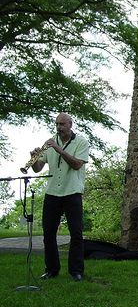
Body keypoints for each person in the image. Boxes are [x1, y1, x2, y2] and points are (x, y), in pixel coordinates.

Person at [31, 113, 89, 281]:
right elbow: (37, 168)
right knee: (48, 234)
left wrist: (58, 149)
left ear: (70, 124)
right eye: (57, 124)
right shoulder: (49, 141)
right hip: (52, 193)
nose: (59, 127)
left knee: (76, 233)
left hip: (72, 192)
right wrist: (33, 157)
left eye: (62, 124)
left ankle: (76, 271)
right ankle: (51, 269)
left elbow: (77, 164)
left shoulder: (81, 142)